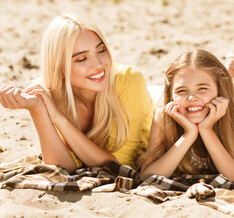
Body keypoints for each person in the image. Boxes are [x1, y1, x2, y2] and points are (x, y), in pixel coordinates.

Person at [0, 14, 154, 173]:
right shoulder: (45, 92)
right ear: (59, 69)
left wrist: (59, 118)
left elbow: (120, 166)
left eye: (101, 50)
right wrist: (37, 109)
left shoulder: (129, 79)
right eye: (82, 59)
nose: (99, 64)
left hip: (155, 105)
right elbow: (63, 167)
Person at [139, 49, 234, 182]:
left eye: (202, 88)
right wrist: (189, 134)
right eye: (182, 90)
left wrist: (207, 130)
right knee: (211, 99)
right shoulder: (163, 116)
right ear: (170, 94)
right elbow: (147, 176)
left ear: (220, 90)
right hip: (205, 105)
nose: (192, 97)